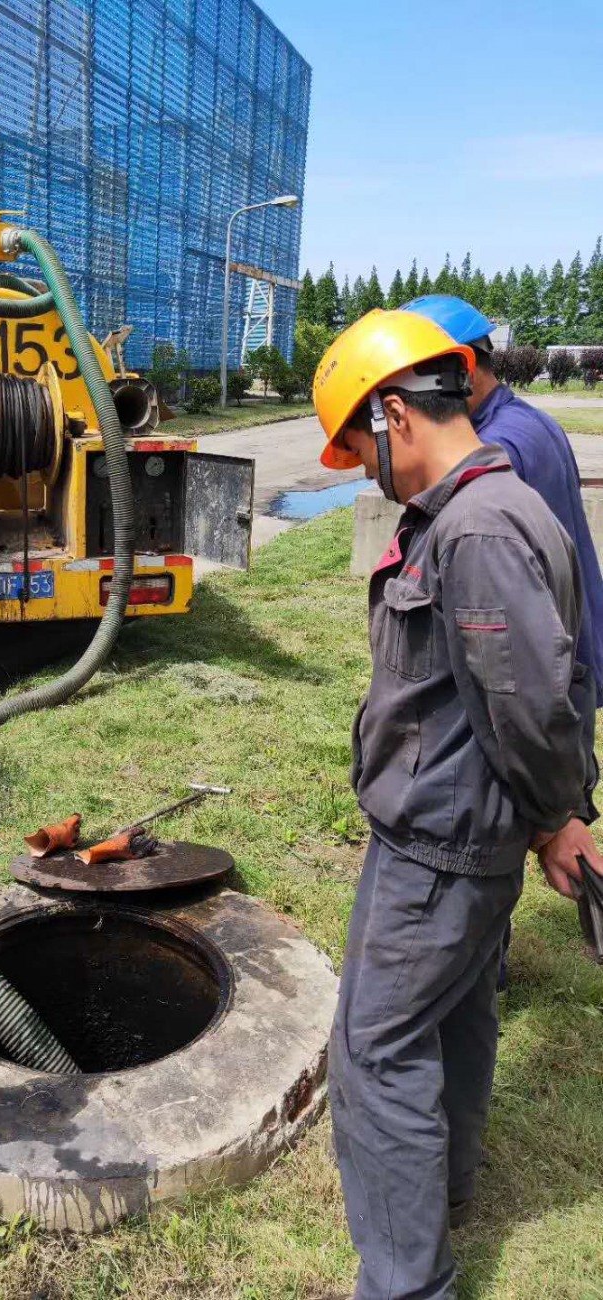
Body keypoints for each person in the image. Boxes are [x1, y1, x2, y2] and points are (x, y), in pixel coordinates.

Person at [313, 308, 602, 1300]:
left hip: (440, 848)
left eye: (358, 445)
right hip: (468, 837)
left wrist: (561, 815)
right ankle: (448, 1192)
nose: (360, 469)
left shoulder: (478, 528)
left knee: (375, 1049)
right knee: (460, 1011)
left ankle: (405, 1281)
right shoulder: (491, 508)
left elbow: (527, 701)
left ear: (396, 413)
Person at [401, 294, 603, 978]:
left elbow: (496, 608)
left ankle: (480, 963)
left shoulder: (501, 446)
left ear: (455, 369)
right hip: (556, 654)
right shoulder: (523, 422)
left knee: (509, 812)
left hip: (537, 664)